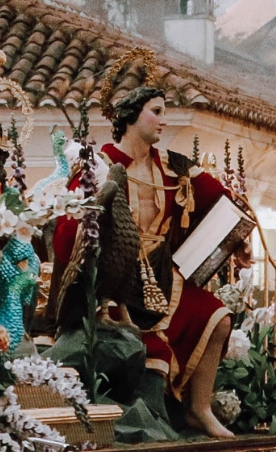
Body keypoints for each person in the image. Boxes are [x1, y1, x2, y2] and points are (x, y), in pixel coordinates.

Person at [52, 84, 236, 437]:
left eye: (165, 112)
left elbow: (221, 198)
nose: (164, 121)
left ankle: (200, 408)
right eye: (157, 111)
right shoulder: (99, 166)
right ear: (130, 116)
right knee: (144, 348)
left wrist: (240, 235)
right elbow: (67, 230)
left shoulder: (173, 168)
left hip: (164, 274)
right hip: (117, 276)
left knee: (219, 318)